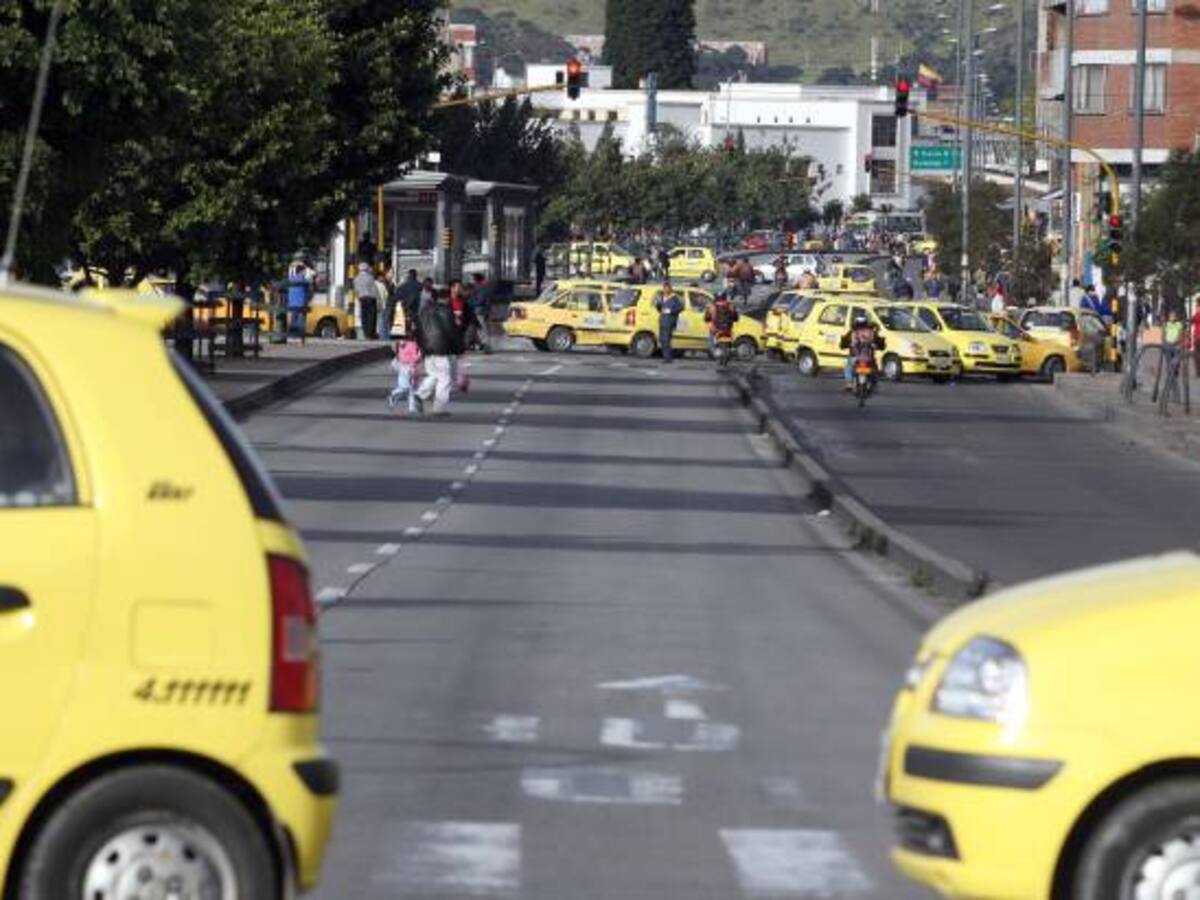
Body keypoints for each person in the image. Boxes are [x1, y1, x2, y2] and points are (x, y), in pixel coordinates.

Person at [414, 291, 463, 416]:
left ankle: (420, 394)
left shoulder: (423, 311)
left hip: (427, 349)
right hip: (441, 348)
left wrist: (422, 347)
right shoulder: (446, 311)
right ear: (446, 298)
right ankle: (438, 408)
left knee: (434, 374)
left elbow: (418, 331)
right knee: (445, 379)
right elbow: (452, 332)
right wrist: (459, 349)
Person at [839, 312, 886, 392]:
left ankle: (849, 383)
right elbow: (880, 342)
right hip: (867, 358)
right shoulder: (870, 332)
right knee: (872, 368)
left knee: (849, 366)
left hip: (856, 357)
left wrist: (845, 345)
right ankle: (871, 381)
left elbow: (844, 343)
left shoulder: (853, 332)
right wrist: (879, 345)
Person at [388, 335, 423, 415]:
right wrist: (419, 355)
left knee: (411, 389)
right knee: (406, 388)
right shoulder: (409, 345)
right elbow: (411, 358)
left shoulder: (405, 344)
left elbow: (404, 357)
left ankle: (412, 408)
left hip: (410, 369)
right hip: (407, 369)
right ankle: (393, 395)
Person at [705, 286, 740, 364]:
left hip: (716, 329)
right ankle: (731, 348)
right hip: (728, 328)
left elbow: (707, 318)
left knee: (710, 339)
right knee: (732, 339)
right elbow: (736, 317)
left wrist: (708, 319)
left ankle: (713, 350)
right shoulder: (730, 305)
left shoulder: (712, 307)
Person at [655, 281, 684, 363]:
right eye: (664, 288)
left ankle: (667, 358)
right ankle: (666, 357)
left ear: (670, 289)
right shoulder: (662, 297)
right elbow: (659, 308)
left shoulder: (674, 298)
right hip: (662, 320)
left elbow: (680, 307)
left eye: (667, 288)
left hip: (670, 320)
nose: (666, 290)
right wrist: (658, 305)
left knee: (666, 339)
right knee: (662, 339)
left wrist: (670, 311)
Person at [353, 262, 378, 340]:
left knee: (364, 316)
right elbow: (374, 289)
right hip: (371, 298)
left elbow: (356, 291)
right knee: (371, 316)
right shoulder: (370, 277)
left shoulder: (356, 279)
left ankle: (366, 332)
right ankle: (370, 333)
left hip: (362, 298)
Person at [286, 264, 312, 339]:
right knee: (301, 321)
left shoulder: (291, 279)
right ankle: (301, 338)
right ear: (301, 271)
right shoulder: (304, 280)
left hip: (292, 303)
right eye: (304, 271)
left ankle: (292, 334)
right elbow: (309, 290)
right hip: (301, 303)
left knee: (293, 319)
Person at [467, 273, 492, 352]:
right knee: (477, 329)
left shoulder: (481, 288)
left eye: (472, 279)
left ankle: (487, 346)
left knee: (481, 329)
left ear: (476, 280)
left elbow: (480, 300)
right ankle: (479, 344)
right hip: (478, 311)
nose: (470, 280)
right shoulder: (480, 287)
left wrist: (470, 303)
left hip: (479, 311)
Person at [396, 269, 421, 338]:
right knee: (414, 323)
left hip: (405, 307)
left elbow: (397, 296)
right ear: (415, 275)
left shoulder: (402, 286)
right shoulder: (419, 285)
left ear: (408, 275)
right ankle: (413, 335)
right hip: (415, 308)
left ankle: (407, 335)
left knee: (406, 321)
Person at [1191, 303, 1200, 378]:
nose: (1198, 309)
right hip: (1196, 338)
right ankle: (1197, 372)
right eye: (1197, 308)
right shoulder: (1196, 315)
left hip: (1197, 337)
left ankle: (1198, 372)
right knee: (1196, 355)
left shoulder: (1197, 315)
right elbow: (1192, 320)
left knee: (1197, 355)